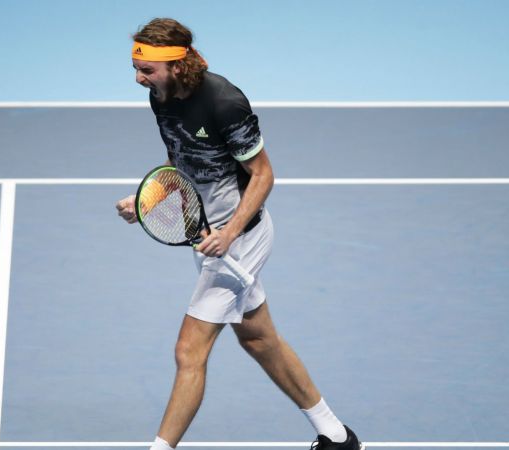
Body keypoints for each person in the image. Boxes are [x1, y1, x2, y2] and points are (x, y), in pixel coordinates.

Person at [115, 18, 364, 450]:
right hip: (207, 234)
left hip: (239, 239)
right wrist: (147, 200)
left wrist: (230, 233)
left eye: (147, 70)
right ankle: (337, 436)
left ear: (177, 65)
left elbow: (263, 174)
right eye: (136, 69)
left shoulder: (225, 103)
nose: (139, 79)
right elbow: (181, 159)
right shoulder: (161, 96)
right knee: (259, 338)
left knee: (189, 351)